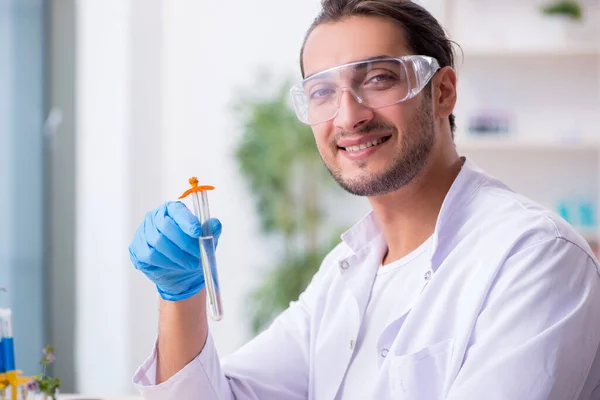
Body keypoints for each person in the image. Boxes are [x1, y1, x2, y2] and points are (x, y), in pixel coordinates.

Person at [128, 0, 600, 398]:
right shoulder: (344, 274)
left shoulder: (535, 256)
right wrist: (181, 297)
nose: (348, 116)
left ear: (443, 92)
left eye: (377, 79)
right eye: (322, 92)